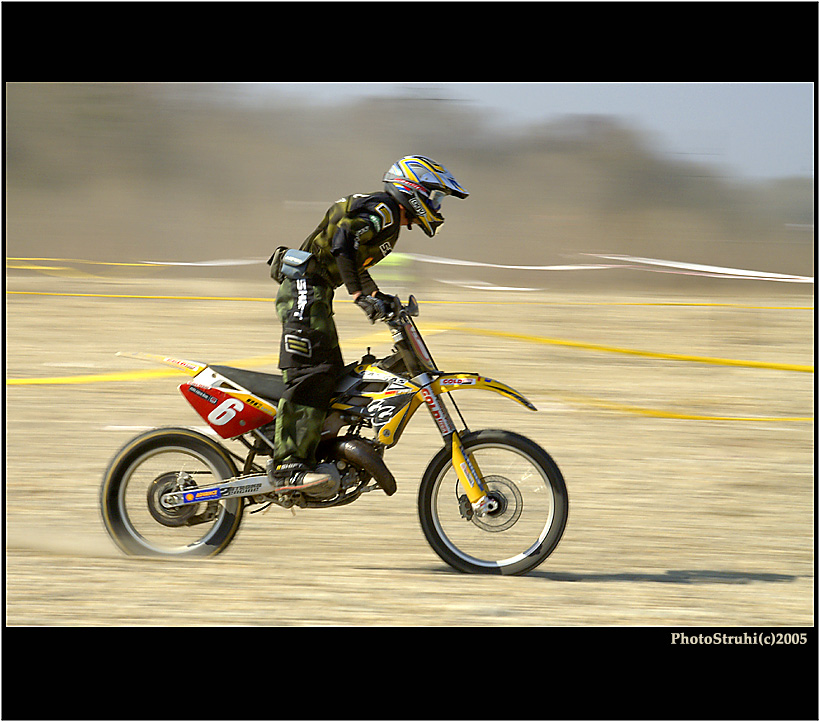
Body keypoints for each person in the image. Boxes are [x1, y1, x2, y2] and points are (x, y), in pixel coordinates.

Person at [268, 155, 469, 495]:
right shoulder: (383, 210)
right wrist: (359, 294)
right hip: (304, 287)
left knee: (333, 375)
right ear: (413, 190)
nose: (436, 206)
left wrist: (377, 295)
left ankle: (318, 448)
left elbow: (354, 260)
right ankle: (288, 465)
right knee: (313, 373)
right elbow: (343, 242)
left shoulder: (387, 220)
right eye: (434, 197)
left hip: (317, 290)